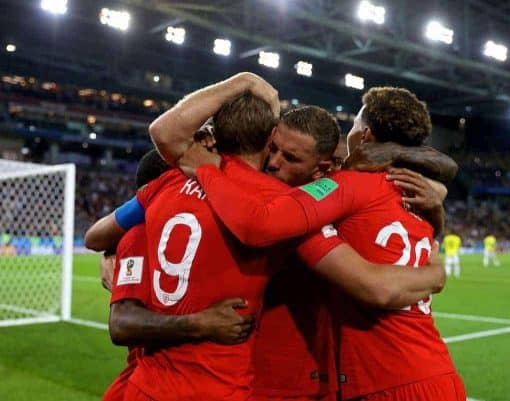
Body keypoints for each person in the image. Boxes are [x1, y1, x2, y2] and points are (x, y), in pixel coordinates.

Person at [87, 76, 446, 401]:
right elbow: (110, 229)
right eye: (273, 148)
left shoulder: (308, 203)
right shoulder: (273, 201)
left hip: (303, 376)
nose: (274, 162)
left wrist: (436, 241)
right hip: (251, 376)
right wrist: (117, 249)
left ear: (325, 169)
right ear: (265, 138)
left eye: (291, 157)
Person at [177, 85, 465, 401]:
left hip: (382, 377)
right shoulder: (414, 192)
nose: (274, 162)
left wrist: (208, 167)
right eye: (273, 150)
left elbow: (260, 223)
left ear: (365, 135)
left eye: (353, 125)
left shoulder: (344, 187)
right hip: (432, 368)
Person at [98, 150, 260, 401]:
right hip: (154, 382)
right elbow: (121, 324)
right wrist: (200, 323)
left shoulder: (206, 228)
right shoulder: (138, 236)